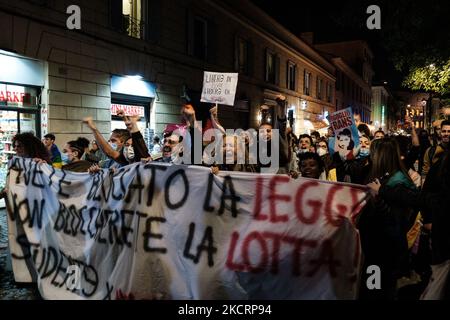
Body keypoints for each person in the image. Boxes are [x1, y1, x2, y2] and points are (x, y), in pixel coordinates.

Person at [359, 137, 420, 300]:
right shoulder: (384, 177)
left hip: (383, 249)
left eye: (373, 153)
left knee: (378, 289)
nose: (371, 157)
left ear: (381, 156)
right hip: (376, 246)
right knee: (375, 287)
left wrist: (379, 196)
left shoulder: (397, 182)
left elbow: (394, 219)